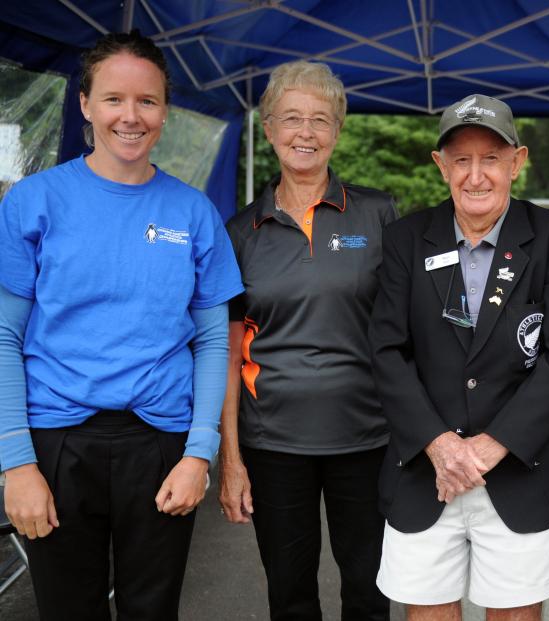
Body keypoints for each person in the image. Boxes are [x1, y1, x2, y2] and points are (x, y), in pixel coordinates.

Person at [0, 31, 243, 619]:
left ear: (165, 110)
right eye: (113, 99)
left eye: (147, 101)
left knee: (151, 610)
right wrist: (16, 463)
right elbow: (5, 335)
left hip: (160, 446)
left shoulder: (194, 212)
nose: (130, 117)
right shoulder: (33, 201)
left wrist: (199, 455)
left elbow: (214, 341)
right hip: (55, 444)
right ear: (84, 104)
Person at [370, 93, 549, 620]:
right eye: (461, 159)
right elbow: (386, 351)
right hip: (426, 471)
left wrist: (491, 447)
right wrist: (441, 446)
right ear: (440, 166)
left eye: (490, 158)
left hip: (519, 472)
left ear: (518, 161)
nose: (476, 175)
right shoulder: (405, 239)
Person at [219, 60, 396, 620]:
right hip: (273, 443)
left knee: (369, 590)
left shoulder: (379, 213)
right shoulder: (240, 232)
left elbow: (408, 329)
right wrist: (230, 459)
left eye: (321, 119)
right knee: (289, 593)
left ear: (338, 131)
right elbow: (226, 355)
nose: (306, 133)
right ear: (267, 130)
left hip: (367, 439)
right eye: (291, 118)